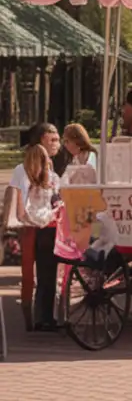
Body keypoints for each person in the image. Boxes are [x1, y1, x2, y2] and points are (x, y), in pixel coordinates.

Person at [6, 124, 61, 331]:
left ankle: (41, 316)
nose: (57, 144)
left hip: (43, 223)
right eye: (53, 139)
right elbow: (21, 201)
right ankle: (35, 316)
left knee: (44, 272)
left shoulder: (49, 166)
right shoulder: (24, 169)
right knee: (33, 273)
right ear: (42, 140)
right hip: (33, 226)